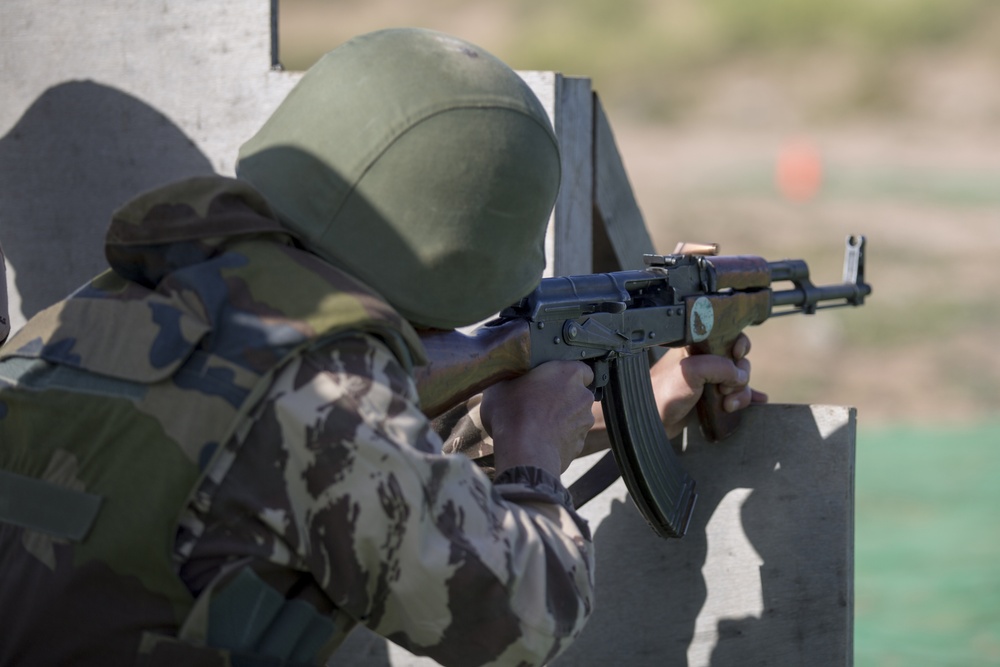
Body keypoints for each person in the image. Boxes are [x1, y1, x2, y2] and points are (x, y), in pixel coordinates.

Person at [0, 28, 759, 667]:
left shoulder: (90, 316)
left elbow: (310, 483)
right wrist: (535, 453)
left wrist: (607, 418)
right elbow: (526, 617)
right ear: (462, 245)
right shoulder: (324, 388)